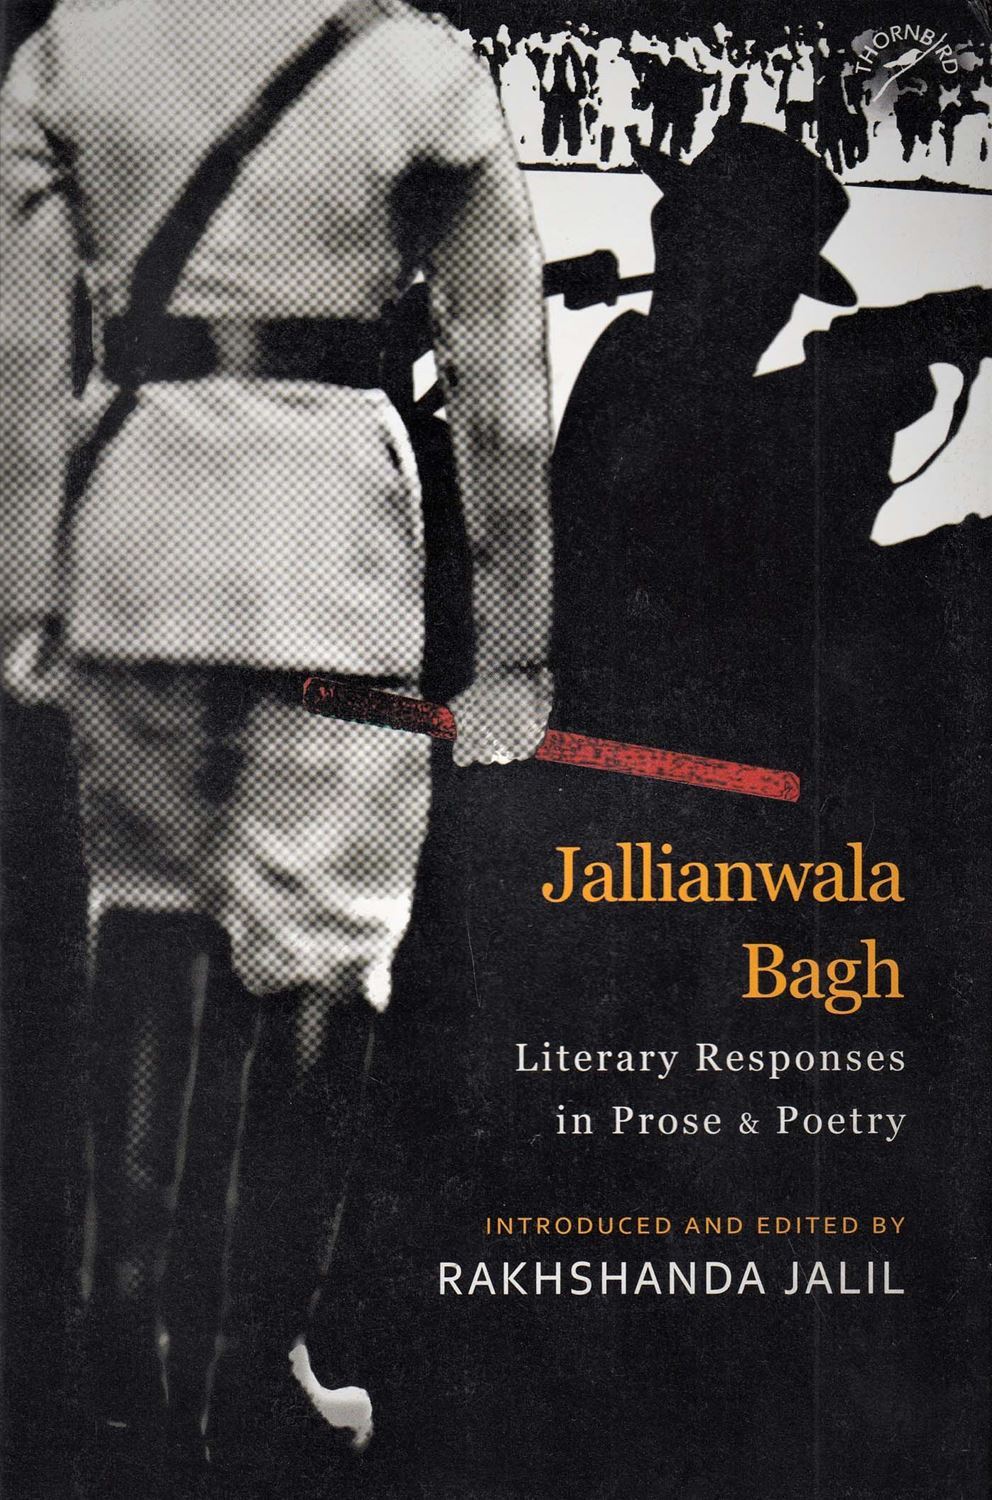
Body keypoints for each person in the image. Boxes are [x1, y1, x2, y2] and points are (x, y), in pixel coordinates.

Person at [0, 0, 552, 1493]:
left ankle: (121, 1359)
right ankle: (259, 1370)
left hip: (136, 509)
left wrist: (28, 587)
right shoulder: (418, 67)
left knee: (145, 918)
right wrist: (514, 646)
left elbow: (20, 345)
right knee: (324, 950)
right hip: (327, 528)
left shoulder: (74, 53)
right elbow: (502, 385)